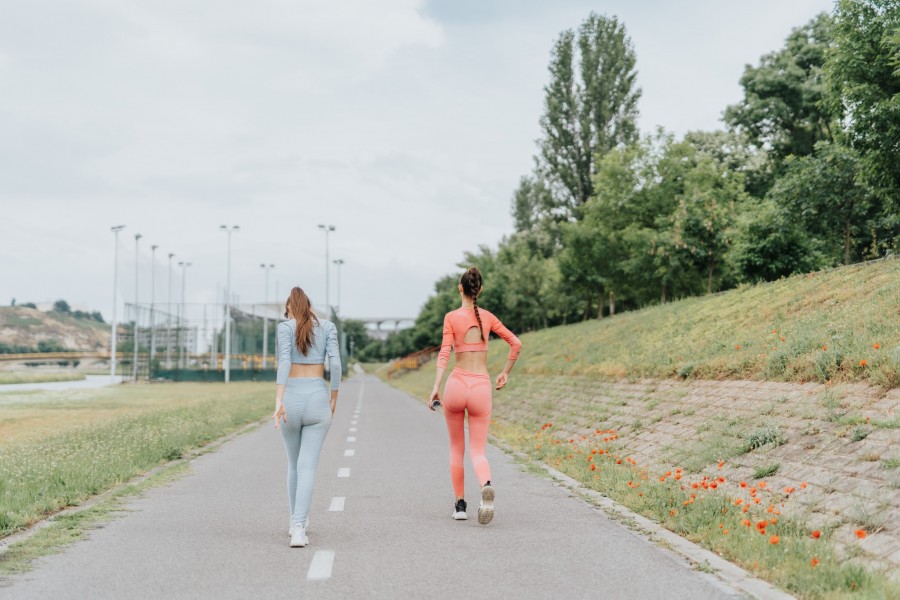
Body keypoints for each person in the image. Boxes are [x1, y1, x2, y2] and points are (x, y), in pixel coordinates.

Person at [429, 267, 521, 524]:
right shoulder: (489, 318)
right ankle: (486, 485)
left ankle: (460, 505)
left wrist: (436, 387)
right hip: (481, 387)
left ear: (460, 288)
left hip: (457, 385)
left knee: (456, 448)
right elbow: (516, 343)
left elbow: (444, 354)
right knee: (478, 450)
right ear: (479, 290)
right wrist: (505, 372)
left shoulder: (450, 317)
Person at [273, 287, 341, 548]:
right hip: (317, 399)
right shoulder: (328, 327)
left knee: (293, 464)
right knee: (308, 466)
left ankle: (295, 523)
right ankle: (299, 526)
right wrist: (333, 396)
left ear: (291, 307)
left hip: (291, 400)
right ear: (309, 306)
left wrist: (279, 401)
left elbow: (284, 363)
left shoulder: (284, 328)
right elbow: (335, 364)